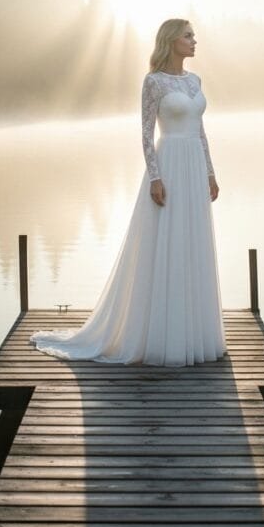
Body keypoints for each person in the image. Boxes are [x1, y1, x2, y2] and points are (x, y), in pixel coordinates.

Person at [30, 18, 226, 366]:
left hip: (195, 166)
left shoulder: (195, 81)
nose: (195, 41)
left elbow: (201, 131)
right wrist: (155, 177)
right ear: (171, 40)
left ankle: (194, 332)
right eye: (188, 36)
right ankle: (160, 335)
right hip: (169, 164)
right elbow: (146, 133)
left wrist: (210, 173)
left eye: (194, 35)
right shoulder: (153, 82)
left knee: (192, 241)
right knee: (165, 242)